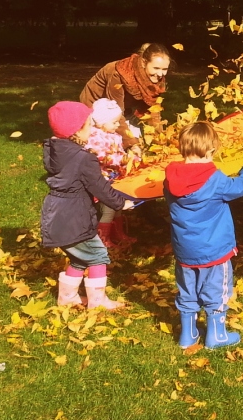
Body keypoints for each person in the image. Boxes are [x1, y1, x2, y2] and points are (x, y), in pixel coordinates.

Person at [164, 121, 243, 350]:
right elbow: (242, 186)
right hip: (214, 250)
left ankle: (188, 335)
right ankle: (216, 335)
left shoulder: (170, 178)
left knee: (187, 290)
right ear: (210, 150)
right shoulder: (216, 180)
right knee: (217, 289)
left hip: (185, 250)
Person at [41, 101, 135, 310]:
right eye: (88, 125)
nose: (92, 129)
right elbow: (100, 187)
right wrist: (122, 203)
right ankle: (98, 302)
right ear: (77, 130)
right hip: (75, 217)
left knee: (78, 258)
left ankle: (67, 299)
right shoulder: (84, 158)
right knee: (98, 256)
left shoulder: (56, 151)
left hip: (56, 214)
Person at [80, 43, 171, 152]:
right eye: (156, 68)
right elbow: (115, 112)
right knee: (106, 144)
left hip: (124, 107)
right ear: (143, 62)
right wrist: (131, 144)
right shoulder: (118, 73)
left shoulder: (156, 79)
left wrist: (160, 139)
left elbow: (153, 110)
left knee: (132, 139)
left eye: (164, 69)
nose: (160, 74)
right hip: (97, 105)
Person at [86, 98, 139, 249]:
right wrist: (124, 159)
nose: (117, 125)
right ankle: (103, 238)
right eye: (114, 122)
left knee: (118, 207)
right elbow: (105, 157)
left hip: (115, 178)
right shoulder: (95, 138)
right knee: (109, 209)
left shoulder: (111, 134)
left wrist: (129, 159)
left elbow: (118, 152)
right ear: (102, 122)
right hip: (103, 180)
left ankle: (118, 234)